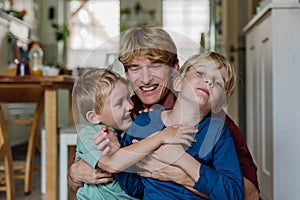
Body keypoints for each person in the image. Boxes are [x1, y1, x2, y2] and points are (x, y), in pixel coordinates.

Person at [68, 26, 259, 199]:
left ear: (175, 68)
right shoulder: (122, 112)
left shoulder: (215, 123)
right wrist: (75, 174)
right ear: (126, 73)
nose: (145, 78)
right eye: (135, 68)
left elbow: (249, 195)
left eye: (155, 65)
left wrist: (182, 175)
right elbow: (123, 183)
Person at [103, 51, 245, 199]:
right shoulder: (144, 122)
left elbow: (234, 195)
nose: (209, 81)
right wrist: (116, 151)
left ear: (219, 104)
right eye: (201, 73)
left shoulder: (217, 132)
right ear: (178, 83)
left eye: (218, 82)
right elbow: (135, 188)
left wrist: (181, 159)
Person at [72, 68, 197, 199]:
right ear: (94, 116)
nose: (130, 106)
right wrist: (161, 136)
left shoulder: (128, 134)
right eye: (119, 103)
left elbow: (136, 187)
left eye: (128, 98)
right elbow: (114, 164)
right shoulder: (91, 134)